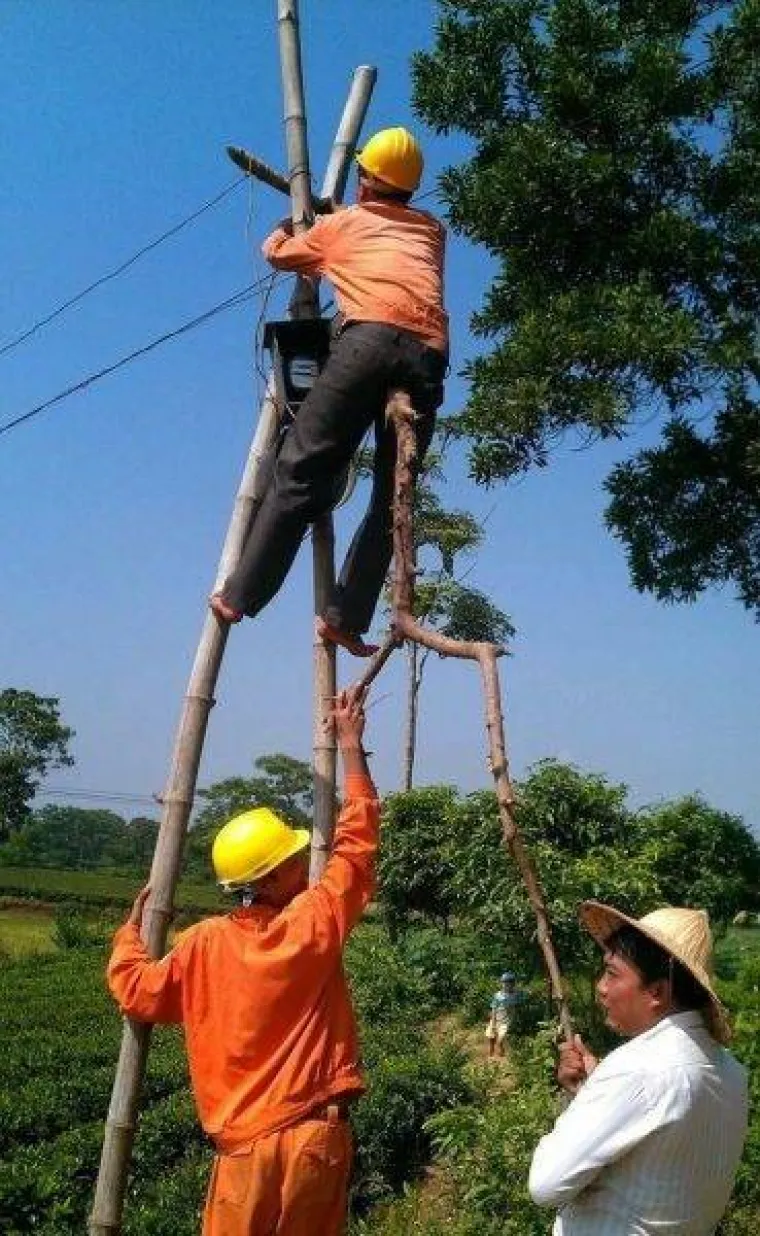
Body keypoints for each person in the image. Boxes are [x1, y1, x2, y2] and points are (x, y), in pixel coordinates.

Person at [106, 688, 378, 1236]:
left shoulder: (204, 943)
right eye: (294, 859)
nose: (305, 862)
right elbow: (359, 843)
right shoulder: (312, 923)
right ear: (272, 878)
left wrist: (130, 932)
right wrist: (353, 746)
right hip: (312, 1141)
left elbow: (138, 989)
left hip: (241, 1152)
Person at [210, 126, 449, 657]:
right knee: (394, 498)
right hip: (428, 354)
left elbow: (278, 253)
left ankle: (240, 595)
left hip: (367, 342)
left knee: (302, 466)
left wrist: (293, 225)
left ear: (365, 180)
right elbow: (383, 233)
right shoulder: (433, 230)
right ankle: (346, 618)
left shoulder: (344, 225)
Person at [529, 900, 749, 1235]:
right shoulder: (732, 1072)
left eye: (613, 974)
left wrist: (592, 1097)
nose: (601, 988)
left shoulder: (636, 1069)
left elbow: (545, 1185)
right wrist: (593, 1092)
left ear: (657, 991)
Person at [485, 971, 522, 1058]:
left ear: (513, 984)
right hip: (496, 1019)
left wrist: (514, 1019)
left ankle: (501, 1056)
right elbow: (494, 1009)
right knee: (491, 1038)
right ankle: (491, 1055)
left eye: (510, 983)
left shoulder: (516, 995)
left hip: (506, 1022)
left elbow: (516, 1007)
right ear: (502, 983)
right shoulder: (498, 995)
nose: (507, 985)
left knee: (500, 1040)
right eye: (505, 983)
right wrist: (493, 1023)